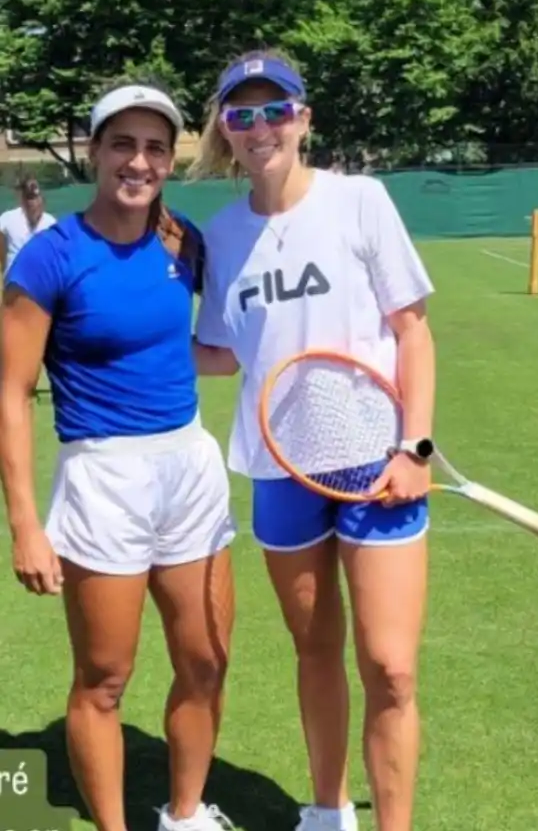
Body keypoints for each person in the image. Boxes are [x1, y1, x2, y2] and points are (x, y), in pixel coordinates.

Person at [190, 50, 436, 831]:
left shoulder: (359, 200)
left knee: (392, 669)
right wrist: (102, 339)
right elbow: (224, 352)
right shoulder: (222, 236)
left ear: (303, 119)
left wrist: (416, 449)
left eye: (273, 110)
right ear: (225, 131)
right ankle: (328, 812)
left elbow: (413, 332)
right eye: (240, 114)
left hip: (377, 461)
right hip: (280, 468)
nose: (258, 127)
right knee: (315, 651)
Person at [0, 83, 237, 831]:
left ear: (171, 159)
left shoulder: (182, 242)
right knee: (105, 680)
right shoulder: (50, 258)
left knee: (206, 662)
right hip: (104, 476)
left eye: (156, 147)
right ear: (97, 153)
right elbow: (11, 392)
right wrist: (26, 525)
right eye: (123, 144)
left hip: (188, 468)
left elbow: (194, 346)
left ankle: (188, 813)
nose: (139, 161)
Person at [0, 177, 56, 276]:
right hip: (14, 282)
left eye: (35, 197)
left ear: (42, 199)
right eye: (28, 197)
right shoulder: (8, 219)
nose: (32, 202)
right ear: (22, 200)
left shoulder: (50, 223)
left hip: (40, 282)